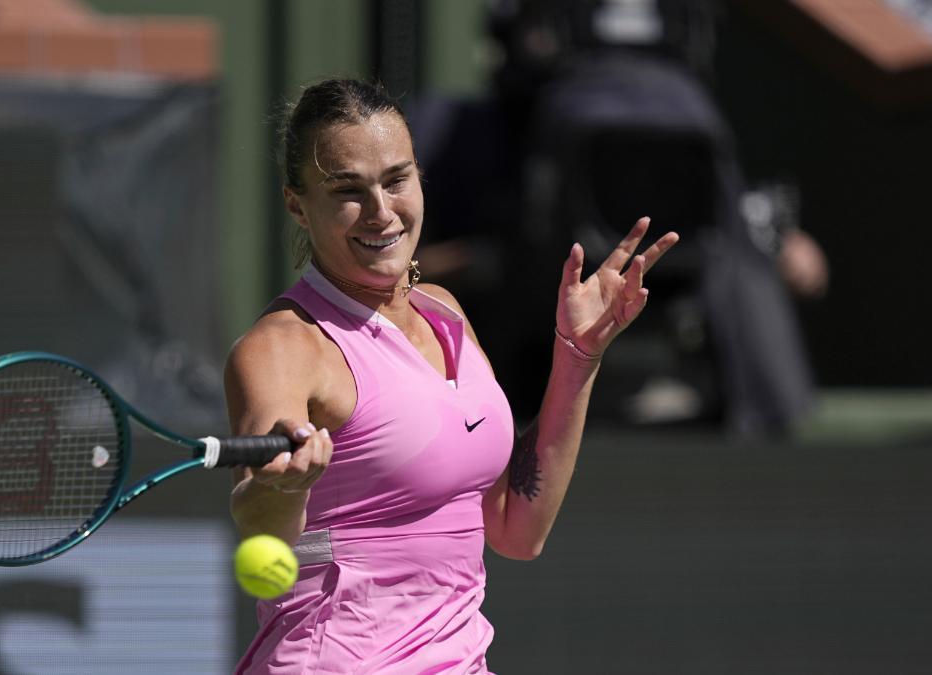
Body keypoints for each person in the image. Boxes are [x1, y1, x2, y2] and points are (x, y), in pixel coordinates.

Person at [224, 77, 678, 674]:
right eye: (348, 190)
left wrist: (577, 356)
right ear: (296, 204)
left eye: (396, 180)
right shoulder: (282, 347)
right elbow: (261, 526)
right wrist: (281, 488)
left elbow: (519, 530)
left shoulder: (443, 313)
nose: (382, 212)